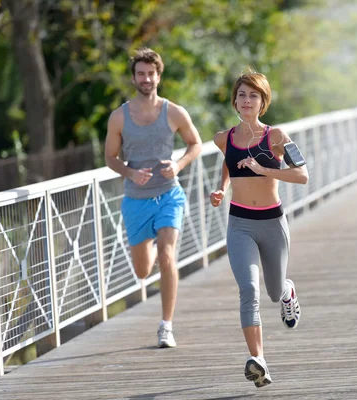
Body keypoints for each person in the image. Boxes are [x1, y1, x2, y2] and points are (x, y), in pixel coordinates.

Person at [210, 70, 308, 387]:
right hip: (239, 224)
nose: (247, 100)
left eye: (253, 95)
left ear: (263, 101)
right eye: (241, 94)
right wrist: (222, 188)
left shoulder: (276, 137)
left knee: (273, 291)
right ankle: (259, 360)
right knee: (249, 290)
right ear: (235, 101)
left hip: (272, 223)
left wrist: (262, 169)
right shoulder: (222, 138)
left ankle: (288, 293)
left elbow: (302, 175)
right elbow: (228, 161)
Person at [105, 47, 202, 348]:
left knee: (167, 255)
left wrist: (178, 165)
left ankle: (166, 326)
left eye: (151, 74)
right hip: (135, 200)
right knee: (143, 270)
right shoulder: (119, 117)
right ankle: (154, 248)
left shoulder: (174, 112)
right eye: (141, 74)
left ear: (159, 76)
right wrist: (130, 173)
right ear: (134, 78)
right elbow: (110, 157)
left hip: (168, 195)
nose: (146, 79)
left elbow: (195, 144)